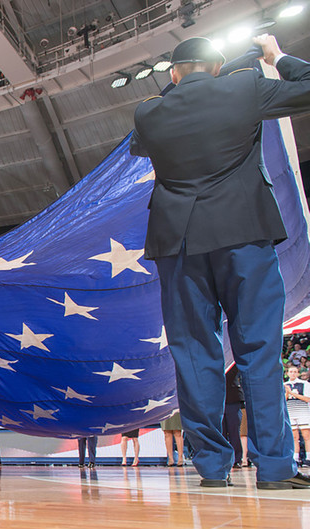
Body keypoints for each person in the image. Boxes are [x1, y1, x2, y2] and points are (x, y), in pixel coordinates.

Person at [131, 34, 310, 489]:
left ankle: (212, 468)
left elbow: (140, 145)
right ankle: (274, 468)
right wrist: (273, 56)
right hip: (243, 235)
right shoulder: (245, 87)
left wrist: (190, 83)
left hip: (179, 244)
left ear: (173, 74)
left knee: (193, 354)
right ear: (216, 66)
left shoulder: (150, 112)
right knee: (259, 353)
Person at [284, 364, 310, 468]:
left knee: (306, 436)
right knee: (294, 436)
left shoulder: (304, 384)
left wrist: (292, 393)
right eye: (291, 372)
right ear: (287, 373)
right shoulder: (284, 384)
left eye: (295, 372)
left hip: (303, 412)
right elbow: (283, 400)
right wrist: (287, 392)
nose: (293, 374)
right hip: (290, 412)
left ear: (298, 373)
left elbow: (307, 398)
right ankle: (296, 458)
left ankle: (308, 458)